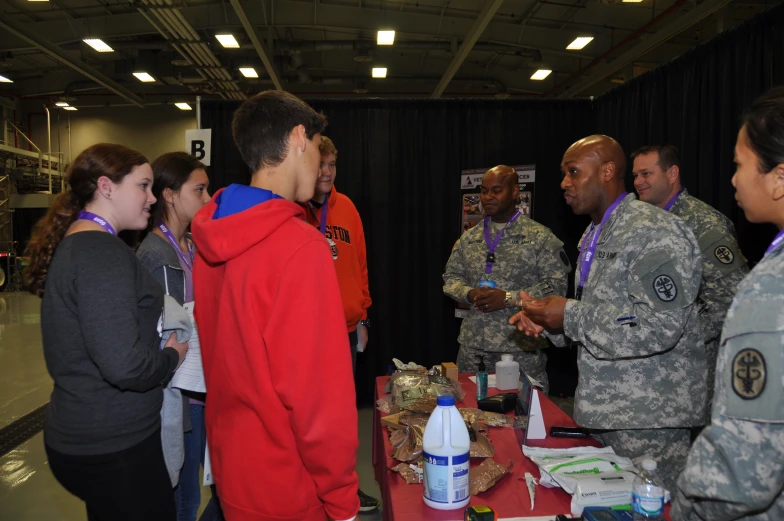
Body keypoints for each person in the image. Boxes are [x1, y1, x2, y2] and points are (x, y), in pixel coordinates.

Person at [191, 90, 359, 521]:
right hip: (290, 484)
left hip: (235, 471)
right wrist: (342, 500)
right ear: (300, 137)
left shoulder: (213, 234)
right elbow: (319, 399)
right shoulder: (299, 246)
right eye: (321, 148)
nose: (322, 163)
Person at [509, 135, 706, 491]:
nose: (564, 183)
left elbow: (660, 325)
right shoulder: (594, 234)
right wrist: (546, 321)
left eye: (573, 172)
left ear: (607, 171)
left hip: (649, 420)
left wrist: (568, 314)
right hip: (607, 412)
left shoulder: (654, 231)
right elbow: (602, 317)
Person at [24, 143, 188, 521]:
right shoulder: (101, 254)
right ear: (106, 186)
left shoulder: (82, 245)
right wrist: (170, 358)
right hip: (114, 446)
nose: (151, 198)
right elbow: (124, 365)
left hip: (89, 435)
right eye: (143, 186)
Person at [672, 87, 784, 520]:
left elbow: (743, 469)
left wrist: (685, 510)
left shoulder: (771, 288)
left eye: (740, 165)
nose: (733, 178)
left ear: (778, 178)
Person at [136, 152, 222, 521]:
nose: (207, 199)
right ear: (169, 195)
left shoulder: (193, 246)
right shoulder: (155, 254)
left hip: (200, 388)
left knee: (207, 490)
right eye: (199, 190)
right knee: (183, 495)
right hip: (177, 394)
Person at [632, 144, 748, 409]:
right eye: (636, 175)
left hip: (692, 372)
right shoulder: (647, 223)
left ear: (672, 173)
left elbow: (731, 300)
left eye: (646, 174)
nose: (638, 182)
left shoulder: (703, 224)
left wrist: (672, 335)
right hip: (654, 368)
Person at [299, 136, 378, 514]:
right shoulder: (293, 210)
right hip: (307, 333)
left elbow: (360, 266)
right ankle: (309, 491)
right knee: (308, 420)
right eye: (321, 165)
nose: (327, 172)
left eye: (332, 165)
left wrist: (363, 315)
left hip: (345, 330)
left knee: (343, 421)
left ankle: (345, 489)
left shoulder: (346, 208)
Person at [443, 165, 571, 394]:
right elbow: (450, 278)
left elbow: (556, 285)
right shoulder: (468, 238)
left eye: (496, 190)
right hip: (474, 349)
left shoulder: (539, 237)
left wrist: (508, 298)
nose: (488, 197)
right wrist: (469, 293)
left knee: (524, 421)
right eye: (484, 191)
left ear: (514, 193)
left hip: (520, 348)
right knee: (472, 416)